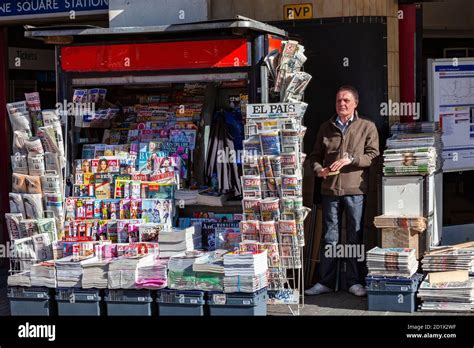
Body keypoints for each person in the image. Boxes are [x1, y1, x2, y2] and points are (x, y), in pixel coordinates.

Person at [306, 85, 379, 297]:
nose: (342, 104)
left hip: (355, 189)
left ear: (356, 103)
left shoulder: (367, 126)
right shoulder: (325, 127)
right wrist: (319, 170)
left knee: (354, 236)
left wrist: (352, 159)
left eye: (346, 100)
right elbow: (314, 156)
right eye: (339, 100)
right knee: (330, 237)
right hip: (330, 190)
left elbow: (373, 155)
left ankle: (354, 281)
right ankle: (326, 281)